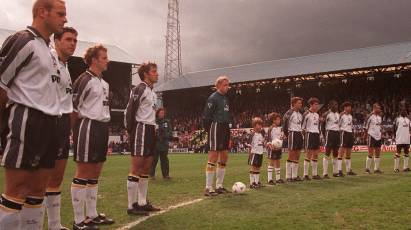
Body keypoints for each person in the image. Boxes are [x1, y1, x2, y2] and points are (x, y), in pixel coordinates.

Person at [0, 0, 67, 229]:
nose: (65, 19)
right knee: (16, 191)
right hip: (27, 119)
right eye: (60, 14)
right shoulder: (23, 40)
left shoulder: (48, 50)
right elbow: (1, 83)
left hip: (50, 124)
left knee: (38, 191)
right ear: (42, 12)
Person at [71, 44, 114, 230]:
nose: (108, 60)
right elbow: (73, 108)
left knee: (95, 171)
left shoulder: (104, 83)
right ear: (94, 60)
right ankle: (79, 221)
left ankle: (92, 214)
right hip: (88, 126)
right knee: (83, 172)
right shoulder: (84, 79)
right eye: (104, 57)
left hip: (102, 127)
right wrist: (73, 132)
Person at [45, 26, 78, 230]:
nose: (73, 43)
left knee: (56, 178)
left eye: (75, 40)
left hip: (62, 126)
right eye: (68, 39)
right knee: (34, 182)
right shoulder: (46, 59)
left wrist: (68, 128)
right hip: (44, 123)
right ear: (56, 41)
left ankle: (55, 225)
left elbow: (68, 104)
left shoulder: (66, 68)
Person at [124, 62, 161, 215]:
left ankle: (142, 202)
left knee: (146, 167)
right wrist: (131, 130)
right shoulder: (139, 89)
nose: (157, 74)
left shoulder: (153, 92)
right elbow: (129, 110)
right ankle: (131, 206)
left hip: (151, 129)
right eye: (154, 71)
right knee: (136, 167)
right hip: (141, 128)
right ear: (145, 74)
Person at [202, 76, 232, 196]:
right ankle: (208, 187)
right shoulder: (213, 98)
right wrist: (209, 130)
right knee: (213, 156)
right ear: (218, 85)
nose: (227, 87)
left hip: (225, 127)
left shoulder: (226, 99)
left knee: (224, 156)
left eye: (228, 85)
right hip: (216, 126)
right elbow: (206, 116)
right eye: (225, 85)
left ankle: (219, 185)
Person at [283, 97, 304, 182]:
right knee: (291, 155)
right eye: (299, 103)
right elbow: (285, 126)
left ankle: (295, 176)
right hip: (292, 133)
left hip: (299, 134)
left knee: (297, 155)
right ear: (294, 103)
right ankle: (288, 176)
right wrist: (288, 135)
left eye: (301, 103)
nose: (301, 104)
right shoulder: (289, 113)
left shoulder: (300, 114)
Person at [302, 97, 321, 180]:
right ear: (311, 105)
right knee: (308, 154)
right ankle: (305, 174)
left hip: (316, 134)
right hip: (309, 134)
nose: (317, 106)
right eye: (315, 104)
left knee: (316, 154)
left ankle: (314, 174)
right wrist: (305, 136)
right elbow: (302, 127)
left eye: (317, 104)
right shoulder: (306, 114)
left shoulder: (317, 115)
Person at [150, 108, 172, 179]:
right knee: (154, 160)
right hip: (155, 144)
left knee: (164, 160)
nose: (162, 114)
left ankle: (166, 175)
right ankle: (152, 175)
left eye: (163, 113)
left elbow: (170, 132)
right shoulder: (154, 122)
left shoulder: (167, 122)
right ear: (157, 113)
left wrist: (165, 136)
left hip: (164, 144)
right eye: (160, 113)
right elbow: (151, 132)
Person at [322, 100, 340, 178]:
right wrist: (323, 135)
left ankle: (335, 172)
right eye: (335, 105)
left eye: (337, 105)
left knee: (336, 153)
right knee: (327, 153)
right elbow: (322, 125)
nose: (336, 106)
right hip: (329, 133)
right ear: (331, 106)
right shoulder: (326, 114)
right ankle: (325, 173)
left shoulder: (338, 114)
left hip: (337, 133)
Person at [338, 101, 357, 176]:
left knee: (348, 153)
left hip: (350, 133)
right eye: (349, 107)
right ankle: (339, 170)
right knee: (341, 152)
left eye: (350, 107)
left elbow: (351, 125)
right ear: (345, 107)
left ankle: (349, 170)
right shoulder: (341, 115)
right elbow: (338, 125)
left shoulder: (350, 116)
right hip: (344, 133)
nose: (350, 108)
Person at [266, 112, 285, 185]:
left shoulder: (279, 129)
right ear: (273, 120)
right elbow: (268, 139)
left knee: (278, 162)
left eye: (279, 119)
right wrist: (271, 146)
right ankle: (270, 179)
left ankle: (278, 178)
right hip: (272, 148)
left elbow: (280, 138)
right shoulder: (271, 129)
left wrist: (281, 142)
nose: (279, 121)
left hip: (278, 148)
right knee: (271, 162)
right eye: (277, 119)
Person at [364, 103, 383, 174]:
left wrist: (381, 134)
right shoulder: (370, 116)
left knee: (378, 153)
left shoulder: (380, 117)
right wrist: (365, 136)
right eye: (378, 108)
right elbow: (365, 127)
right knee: (370, 153)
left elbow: (379, 127)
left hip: (378, 137)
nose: (380, 109)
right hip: (371, 136)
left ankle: (376, 169)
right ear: (374, 108)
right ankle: (367, 169)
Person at [248, 117, 265, 188]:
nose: (260, 126)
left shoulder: (261, 134)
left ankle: (257, 182)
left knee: (258, 167)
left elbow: (262, 142)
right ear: (254, 125)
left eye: (261, 124)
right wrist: (250, 153)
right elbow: (249, 144)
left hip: (260, 153)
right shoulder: (252, 134)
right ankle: (252, 183)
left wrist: (266, 143)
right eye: (259, 124)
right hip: (254, 153)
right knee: (253, 167)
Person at [393, 108, 410, 173]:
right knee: (398, 153)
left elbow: (410, 128)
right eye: (403, 111)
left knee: (406, 153)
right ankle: (396, 168)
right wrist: (395, 136)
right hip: (399, 139)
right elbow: (393, 128)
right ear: (400, 113)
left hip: (407, 139)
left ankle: (405, 167)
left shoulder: (408, 120)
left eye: (405, 111)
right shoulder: (397, 119)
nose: (404, 112)